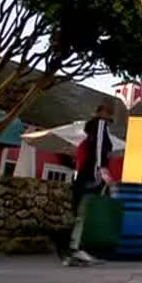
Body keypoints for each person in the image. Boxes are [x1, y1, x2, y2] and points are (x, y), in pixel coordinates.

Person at [57, 104, 114, 266]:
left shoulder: (87, 137)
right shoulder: (101, 126)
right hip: (91, 175)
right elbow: (100, 146)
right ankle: (76, 248)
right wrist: (102, 168)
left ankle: (73, 249)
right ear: (103, 114)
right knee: (86, 211)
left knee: (81, 212)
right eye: (109, 113)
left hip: (82, 176)